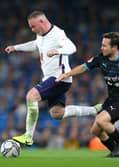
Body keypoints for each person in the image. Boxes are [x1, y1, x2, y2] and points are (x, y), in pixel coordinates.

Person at [4, 11, 101, 146]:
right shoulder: (40, 36)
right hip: (51, 79)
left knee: (31, 96)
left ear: (42, 22)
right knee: (57, 113)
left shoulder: (58, 34)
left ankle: (28, 136)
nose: (32, 29)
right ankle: (95, 110)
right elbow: (35, 44)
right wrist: (16, 47)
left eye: (33, 26)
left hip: (59, 78)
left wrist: (58, 51)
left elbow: (72, 47)